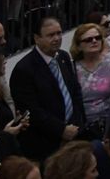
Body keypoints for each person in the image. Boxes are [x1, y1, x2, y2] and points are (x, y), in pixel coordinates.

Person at [10, 16, 86, 162]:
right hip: (44, 145)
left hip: (73, 136)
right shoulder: (24, 69)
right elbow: (31, 110)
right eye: (51, 35)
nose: (57, 38)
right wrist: (61, 130)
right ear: (37, 38)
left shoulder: (63, 57)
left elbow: (75, 92)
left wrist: (76, 125)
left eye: (59, 33)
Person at [68, 21, 110, 139]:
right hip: (81, 127)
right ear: (78, 45)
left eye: (98, 38)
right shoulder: (71, 68)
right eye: (88, 39)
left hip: (107, 124)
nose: (94, 41)